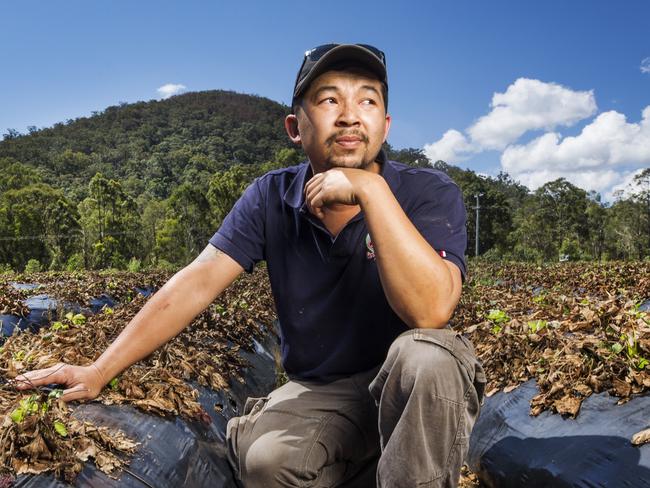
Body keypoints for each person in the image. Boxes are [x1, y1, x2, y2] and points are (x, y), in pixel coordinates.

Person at [16, 43, 485, 488]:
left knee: (427, 356)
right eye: (328, 100)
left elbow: (430, 312)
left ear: (384, 124)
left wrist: (372, 191)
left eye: (366, 101)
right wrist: (100, 369)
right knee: (268, 464)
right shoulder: (270, 197)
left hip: (412, 389)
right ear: (295, 127)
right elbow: (196, 282)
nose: (348, 116)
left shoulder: (427, 191)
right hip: (326, 390)